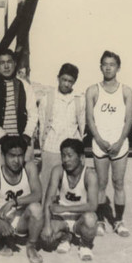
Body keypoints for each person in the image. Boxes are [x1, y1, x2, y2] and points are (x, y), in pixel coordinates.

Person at [85, 50, 132, 237]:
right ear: (100, 67)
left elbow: (128, 120)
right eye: (105, 64)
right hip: (100, 143)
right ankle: (99, 221)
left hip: (119, 144)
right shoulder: (93, 90)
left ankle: (119, 221)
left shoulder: (126, 91)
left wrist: (120, 141)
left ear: (118, 67)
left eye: (112, 64)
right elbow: (90, 119)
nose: (108, 67)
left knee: (118, 183)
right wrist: (99, 139)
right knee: (101, 184)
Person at [0, 136, 44, 263]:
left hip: (23, 219)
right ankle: (2, 240)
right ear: (3, 155)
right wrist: (0, 221)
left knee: (36, 208)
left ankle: (31, 246)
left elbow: (38, 194)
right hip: (2, 218)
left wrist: (13, 202)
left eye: (20, 155)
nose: (17, 160)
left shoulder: (29, 168)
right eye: (12, 156)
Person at [0, 49, 38, 173]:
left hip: (22, 143)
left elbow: (33, 114)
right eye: (2, 62)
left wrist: (26, 136)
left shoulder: (25, 85)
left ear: (15, 63)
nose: (6, 66)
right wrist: (3, 138)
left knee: (25, 179)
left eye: (9, 62)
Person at [41, 139, 99, 261]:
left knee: (91, 219)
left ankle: (85, 244)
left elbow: (93, 206)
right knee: (45, 237)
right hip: (63, 219)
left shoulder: (90, 175)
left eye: (70, 156)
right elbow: (48, 200)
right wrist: (47, 226)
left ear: (81, 157)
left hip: (80, 218)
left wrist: (65, 208)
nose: (66, 160)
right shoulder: (58, 170)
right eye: (63, 156)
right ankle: (65, 237)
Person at [38, 63, 86, 196]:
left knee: (70, 185)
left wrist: (78, 148)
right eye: (64, 80)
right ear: (58, 78)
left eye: (70, 81)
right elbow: (42, 125)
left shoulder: (79, 100)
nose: (66, 84)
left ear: (74, 82)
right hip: (51, 148)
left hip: (72, 150)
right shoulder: (47, 99)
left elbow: (82, 125)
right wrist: (44, 148)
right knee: (47, 185)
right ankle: (45, 213)